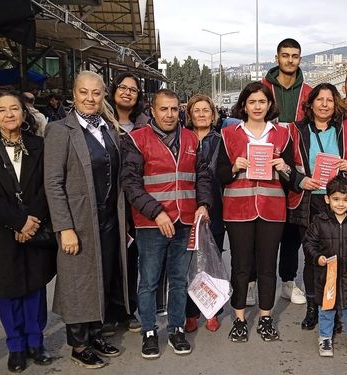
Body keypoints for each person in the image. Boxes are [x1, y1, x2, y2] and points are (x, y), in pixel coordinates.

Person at [44, 71, 129, 369]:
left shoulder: (109, 128)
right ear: (74, 93)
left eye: (96, 93)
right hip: (78, 221)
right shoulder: (59, 130)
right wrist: (64, 227)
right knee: (78, 282)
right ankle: (79, 344)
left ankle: (94, 334)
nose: (90, 99)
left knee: (102, 277)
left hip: (107, 219)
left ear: (104, 94)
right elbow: (53, 184)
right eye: (84, 92)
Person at [121, 89, 211, 359]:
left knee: (179, 280)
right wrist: (156, 212)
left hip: (185, 220)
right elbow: (131, 184)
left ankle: (176, 328)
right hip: (151, 224)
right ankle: (149, 331)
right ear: (152, 109)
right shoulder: (136, 140)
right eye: (164, 109)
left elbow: (203, 176)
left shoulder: (192, 139)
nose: (170, 115)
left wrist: (204, 204)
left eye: (174, 109)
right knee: (148, 281)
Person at [0, 91, 56, 373]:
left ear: (24, 113)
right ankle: (16, 347)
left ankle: (36, 342)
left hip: (35, 227)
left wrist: (32, 220)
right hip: (1, 232)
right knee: (8, 293)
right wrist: (18, 222)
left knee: (34, 288)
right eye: (2, 110)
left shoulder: (39, 145)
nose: (9, 114)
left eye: (14, 109)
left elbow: (48, 185)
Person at [217, 82, 295, 342]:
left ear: (269, 105)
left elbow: (291, 177)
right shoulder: (229, 135)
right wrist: (234, 168)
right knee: (240, 266)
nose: (257, 106)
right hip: (238, 210)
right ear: (244, 106)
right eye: (252, 102)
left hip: (272, 211)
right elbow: (219, 175)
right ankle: (239, 318)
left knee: (267, 266)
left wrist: (284, 166)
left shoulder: (283, 135)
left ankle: (265, 317)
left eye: (262, 102)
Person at [287, 83, 347, 331]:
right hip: (308, 201)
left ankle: (334, 309)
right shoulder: (296, 130)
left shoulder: (346, 129)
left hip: (338, 202)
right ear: (311, 103)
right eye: (320, 99)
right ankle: (312, 308)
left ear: (335, 103)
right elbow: (285, 166)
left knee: (338, 258)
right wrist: (300, 180)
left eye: (330, 100)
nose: (325, 104)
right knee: (312, 258)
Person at [262, 38, 312, 306]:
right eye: (285, 55)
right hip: (265, 164)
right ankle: (253, 281)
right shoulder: (262, 88)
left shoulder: (309, 91)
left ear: (300, 60)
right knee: (263, 227)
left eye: (295, 56)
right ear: (277, 57)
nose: (290, 60)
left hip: (296, 164)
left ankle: (288, 281)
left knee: (292, 227)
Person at [302, 176, 347, 357]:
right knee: (327, 308)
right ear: (327, 199)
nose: (340, 204)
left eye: (345, 200)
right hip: (327, 275)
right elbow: (308, 243)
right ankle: (325, 338)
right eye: (336, 199)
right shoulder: (319, 221)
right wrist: (317, 257)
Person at [103, 72, 144, 335]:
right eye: (123, 87)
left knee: (131, 258)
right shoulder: (100, 124)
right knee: (107, 258)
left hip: (135, 202)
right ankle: (106, 312)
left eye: (133, 89)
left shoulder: (143, 126)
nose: (128, 92)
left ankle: (128, 310)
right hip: (107, 201)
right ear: (113, 90)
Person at [183, 94, 225, 333]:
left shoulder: (221, 140)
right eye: (196, 110)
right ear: (189, 114)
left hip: (216, 206)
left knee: (212, 259)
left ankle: (212, 311)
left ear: (213, 114)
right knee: (189, 261)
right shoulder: (182, 138)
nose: (201, 114)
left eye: (205, 110)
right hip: (188, 205)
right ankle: (191, 312)